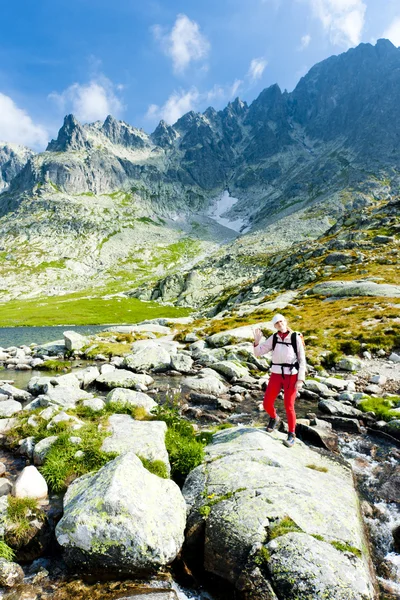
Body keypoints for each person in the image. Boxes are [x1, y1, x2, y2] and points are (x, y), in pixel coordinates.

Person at [253, 313, 306, 447]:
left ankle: (291, 434)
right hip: (276, 374)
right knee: (266, 403)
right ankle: (274, 417)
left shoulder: (295, 337)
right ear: (275, 326)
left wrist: (300, 379)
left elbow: (302, 360)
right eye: (277, 323)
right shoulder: (274, 338)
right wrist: (256, 342)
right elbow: (258, 353)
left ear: (285, 321)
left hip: (291, 375)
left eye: (281, 321)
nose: (280, 324)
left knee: (289, 406)